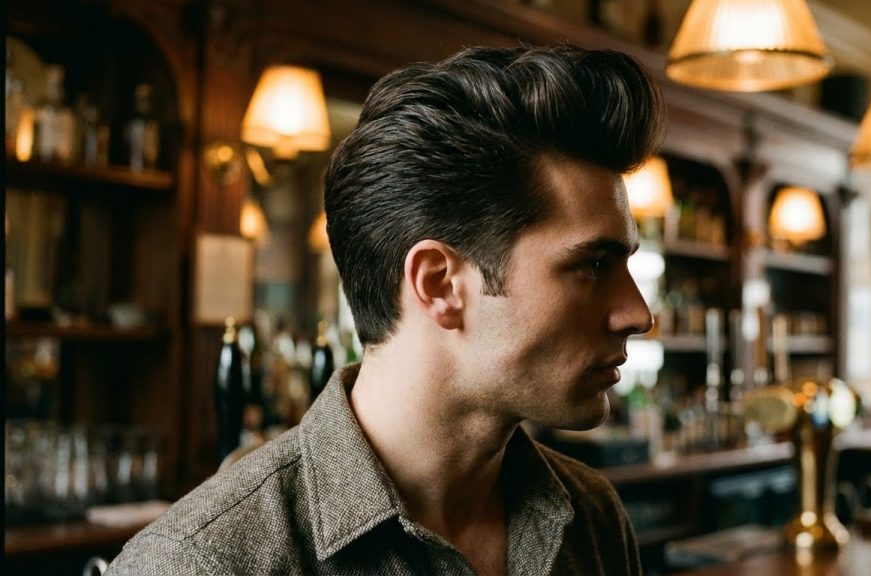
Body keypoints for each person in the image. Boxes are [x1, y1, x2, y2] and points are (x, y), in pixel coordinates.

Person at [108, 44, 664, 575]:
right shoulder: (199, 564)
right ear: (440, 284)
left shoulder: (591, 515)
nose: (638, 314)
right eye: (594, 266)